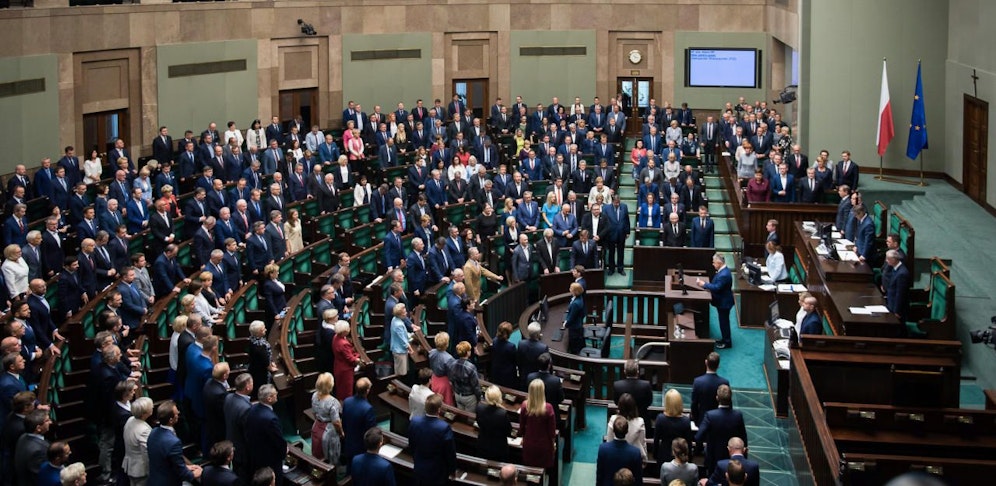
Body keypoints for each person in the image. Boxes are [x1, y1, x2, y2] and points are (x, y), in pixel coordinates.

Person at [695, 384, 747, 474]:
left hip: (713, 458)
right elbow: (743, 438)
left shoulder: (710, 415)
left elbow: (699, 436)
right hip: (732, 458)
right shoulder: (738, 415)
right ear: (730, 398)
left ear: (717, 398)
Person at [147, 401, 201, 486]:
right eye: (176, 413)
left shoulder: (153, 432)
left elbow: (164, 459)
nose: (179, 413)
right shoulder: (174, 442)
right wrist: (196, 473)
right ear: (171, 420)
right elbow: (183, 473)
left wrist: (185, 467)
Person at [407, 393, 457, 485]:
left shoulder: (414, 422)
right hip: (437, 472)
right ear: (439, 410)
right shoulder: (444, 428)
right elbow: (450, 453)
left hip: (419, 467)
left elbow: (411, 444)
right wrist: (452, 470)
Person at [245, 384, 284, 485]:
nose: (277, 395)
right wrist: (284, 451)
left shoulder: (252, 408)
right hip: (270, 459)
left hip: (255, 454)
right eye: (275, 394)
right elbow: (278, 440)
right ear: (269, 398)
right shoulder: (271, 419)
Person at [698, 254, 735, 349]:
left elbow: (717, 287)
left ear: (719, 262)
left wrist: (704, 284)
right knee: (723, 322)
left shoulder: (724, 275)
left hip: (724, 303)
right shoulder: (723, 271)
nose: (713, 264)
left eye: (714, 262)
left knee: (724, 323)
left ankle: (727, 342)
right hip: (723, 301)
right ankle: (724, 339)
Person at [519, 379, 557, 471]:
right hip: (544, 446)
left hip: (529, 444)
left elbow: (522, 427)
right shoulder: (548, 408)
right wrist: (554, 444)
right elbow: (552, 432)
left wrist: (523, 438)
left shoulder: (525, 406)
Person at [596, 416, 643, 486]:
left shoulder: (603, 449)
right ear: (627, 431)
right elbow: (638, 479)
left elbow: (599, 475)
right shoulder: (635, 452)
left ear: (613, 430)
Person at [342, 378, 377, 469]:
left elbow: (344, 423)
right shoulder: (368, 408)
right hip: (361, 448)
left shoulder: (347, 401)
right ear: (367, 391)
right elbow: (371, 431)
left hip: (348, 443)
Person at [311, 372, 343, 466]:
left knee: (317, 451)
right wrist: (341, 432)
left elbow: (314, 413)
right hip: (329, 431)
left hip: (316, 426)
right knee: (331, 454)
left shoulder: (314, 395)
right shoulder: (333, 402)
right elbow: (336, 422)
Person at [654, 389, 694, 464]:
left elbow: (656, 439)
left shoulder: (660, 419)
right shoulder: (685, 421)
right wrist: (690, 458)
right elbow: (689, 442)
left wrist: (655, 455)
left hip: (664, 455)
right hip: (680, 457)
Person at [691, 352, 730, 427]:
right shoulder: (724, 382)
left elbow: (694, 405)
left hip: (702, 421)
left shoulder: (697, 382)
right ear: (718, 366)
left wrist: (697, 421)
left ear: (706, 362)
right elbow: (728, 405)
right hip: (719, 421)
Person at [606, 393, 647, 462]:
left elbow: (609, 441)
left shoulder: (613, 419)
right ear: (634, 407)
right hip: (633, 457)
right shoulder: (640, 421)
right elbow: (642, 442)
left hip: (615, 455)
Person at [122, 397, 153, 486]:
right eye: (150, 407)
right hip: (140, 469)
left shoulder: (130, 420)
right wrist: (150, 472)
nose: (152, 408)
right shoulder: (144, 430)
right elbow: (146, 453)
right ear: (144, 413)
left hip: (130, 465)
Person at [476, 385, 512, 461]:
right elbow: (508, 431)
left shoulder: (479, 407)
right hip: (498, 446)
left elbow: (479, 423)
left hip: (483, 442)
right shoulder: (502, 413)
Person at [332, 320, 360, 402]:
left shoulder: (335, 337)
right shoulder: (343, 343)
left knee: (340, 390)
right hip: (345, 371)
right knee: (347, 392)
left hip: (338, 366)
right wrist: (358, 357)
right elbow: (350, 359)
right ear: (344, 331)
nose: (349, 329)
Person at [448, 341, 480, 412]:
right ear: (468, 352)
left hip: (457, 395)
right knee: (469, 418)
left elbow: (451, 380)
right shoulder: (471, 367)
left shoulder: (452, 364)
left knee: (461, 415)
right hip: (469, 397)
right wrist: (479, 397)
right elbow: (475, 385)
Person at [248, 320, 278, 396]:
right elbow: (266, 363)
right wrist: (271, 367)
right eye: (263, 329)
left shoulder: (252, 339)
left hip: (254, 368)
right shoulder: (260, 348)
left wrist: (271, 362)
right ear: (258, 333)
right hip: (261, 373)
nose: (266, 330)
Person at [516, 322, 548, 389]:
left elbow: (518, 361)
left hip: (523, 376)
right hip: (537, 379)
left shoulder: (521, 343)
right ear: (538, 334)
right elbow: (544, 364)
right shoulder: (543, 347)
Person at [884, 249, 911, 324]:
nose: (886, 261)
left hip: (897, 309)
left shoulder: (902, 274)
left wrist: (897, 311)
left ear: (893, 260)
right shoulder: (895, 268)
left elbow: (900, 294)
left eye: (888, 259)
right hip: (891, 303)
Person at [490, 321, 519, 389]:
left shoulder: (494, 341)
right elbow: (515, 360)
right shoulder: (511, 346)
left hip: (496, 371)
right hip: (507, 375)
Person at [562, 282, 585, 354]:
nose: (569, 289)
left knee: (574, 347)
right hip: (578, 325)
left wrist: (565, 324)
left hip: (575, 328)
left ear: (575, 291)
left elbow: (572, 317)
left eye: (571, 288)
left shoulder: (576, 303)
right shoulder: (578, 298)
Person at [390, 303, 412, 377]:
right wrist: (410, 349)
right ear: (400, 314)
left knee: (400, 369)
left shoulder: (394, 319)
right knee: (401, 373)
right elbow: (403, 341)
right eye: (405, 312)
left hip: (396, 348)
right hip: (399, 351)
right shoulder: (399, 325)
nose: (406, 313)